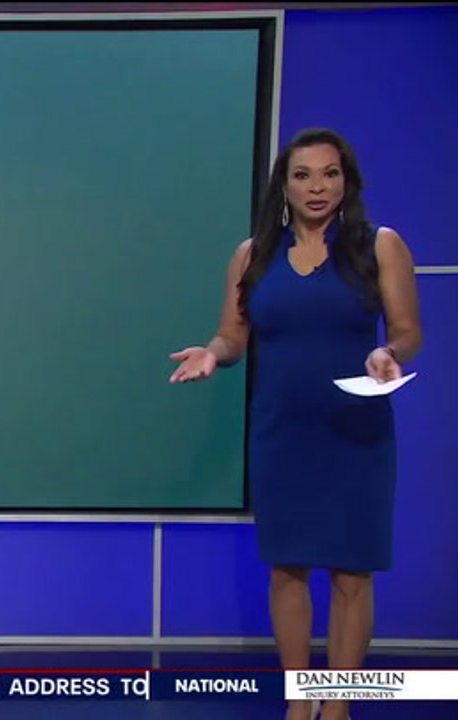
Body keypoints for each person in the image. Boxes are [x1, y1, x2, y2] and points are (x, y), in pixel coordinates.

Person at [169, 128, 421, 720]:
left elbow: (408, 330)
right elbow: (233, 336)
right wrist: (213, 354)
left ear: (346, 181)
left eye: (329, 173)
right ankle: (299, 699)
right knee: (288, 568)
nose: (317, 186)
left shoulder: (379, 246)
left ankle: (340, 704)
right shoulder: (253, 254)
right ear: (284, 184)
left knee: (352, 571)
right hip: (283, 433)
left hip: (356, 432)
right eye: (303, 175)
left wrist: (392, 355)